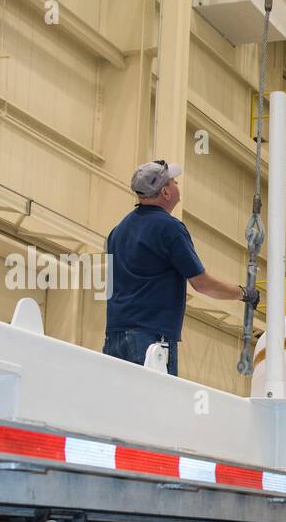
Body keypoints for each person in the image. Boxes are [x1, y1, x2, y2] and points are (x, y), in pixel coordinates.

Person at [103, 159, 256, 376]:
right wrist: (243, 293)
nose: (177, 186)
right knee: (158, 405)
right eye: (174, 182)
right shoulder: (169, 228)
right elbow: (202, 284)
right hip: (150, 339)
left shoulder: (118, 231)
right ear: (165, 192)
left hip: (115, 337)